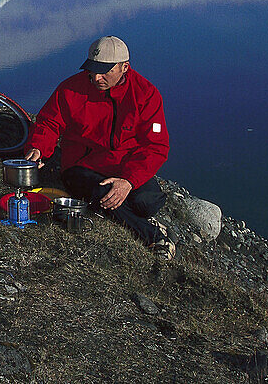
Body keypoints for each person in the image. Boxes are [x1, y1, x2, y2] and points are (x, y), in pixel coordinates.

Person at [24, 36, 174, 260]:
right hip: (81, 165)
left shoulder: (146, 94)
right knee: (103, 193)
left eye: (104, 71)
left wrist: (128, 181)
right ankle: (153, 236)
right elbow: (49, 122)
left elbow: (156, 146)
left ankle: (117, 211)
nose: (96, 77)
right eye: (92, 69)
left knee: (147, 203)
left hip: (124, 165)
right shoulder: (71, 88)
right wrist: (38, 147)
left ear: (125, 67)